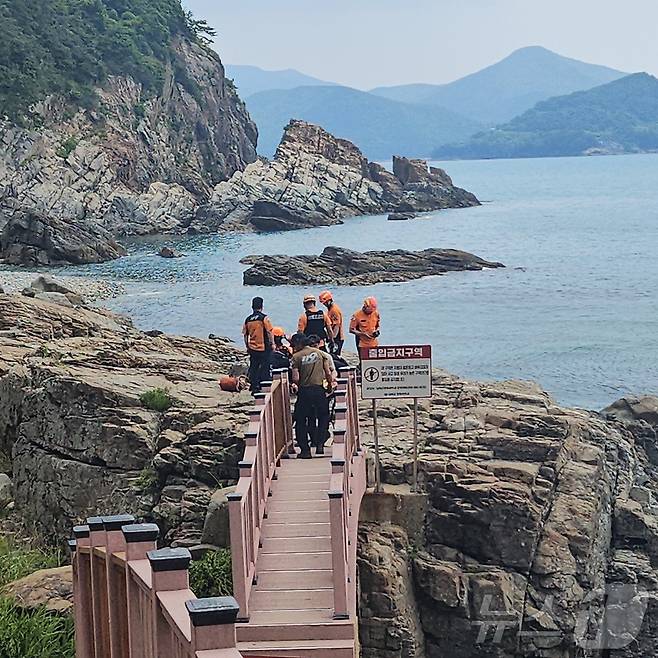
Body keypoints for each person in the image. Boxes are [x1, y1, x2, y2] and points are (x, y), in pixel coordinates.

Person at [290, 333, 336, 458]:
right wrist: (330, 386)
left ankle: (305, 450)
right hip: (319, 390)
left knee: (300, 420)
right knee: (323, 416)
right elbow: (328, 372)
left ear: (299, 343)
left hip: (305, 392)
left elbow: (296, 378)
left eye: (293, 345)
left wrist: (295, 385)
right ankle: (320, 443)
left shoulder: (296, 357)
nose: (293, 347)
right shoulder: (320, 354)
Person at [242, 297, 274, 394]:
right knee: (265, 367)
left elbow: (245, 335)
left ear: (252, 307)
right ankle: (264, 386)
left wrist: (247, 346)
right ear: (262, 306)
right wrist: (272, 344)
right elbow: (269, 332)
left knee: (254, 367)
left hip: (253, 347)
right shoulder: (264, 318)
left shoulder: (248, 320)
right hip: (264, 347)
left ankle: (254, 386)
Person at [319, 290, 344, 356]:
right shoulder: (330, 309)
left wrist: (332, 339)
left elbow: (336, 326)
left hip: (337, 337)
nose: (324, 305)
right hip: (333, 336)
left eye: (325, 303)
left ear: (329, 300)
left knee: (335, 356)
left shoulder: (334, 310)